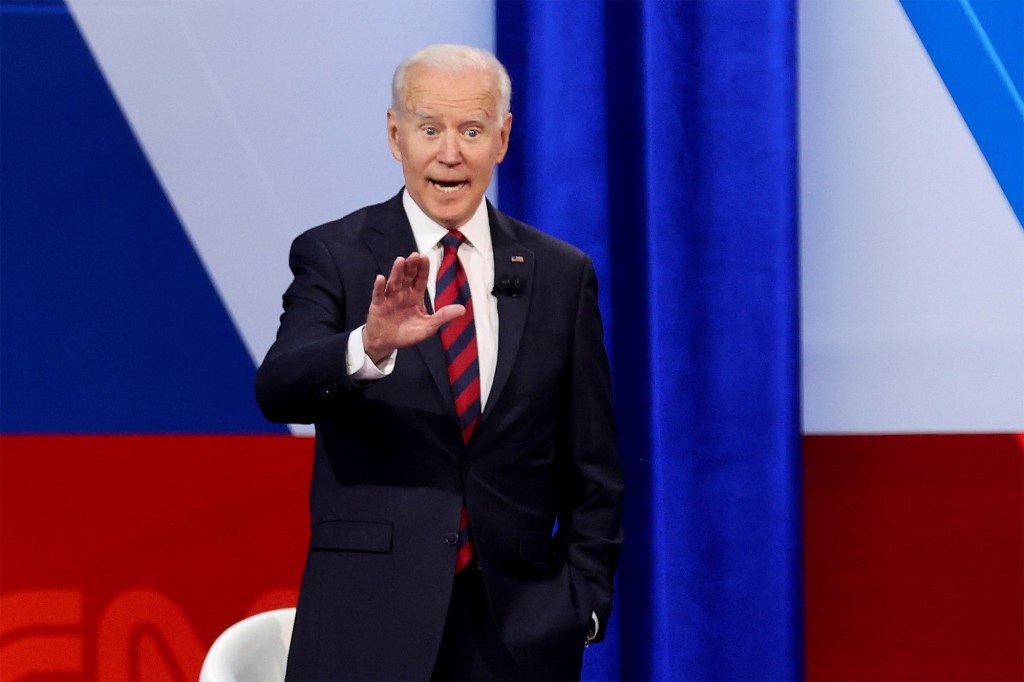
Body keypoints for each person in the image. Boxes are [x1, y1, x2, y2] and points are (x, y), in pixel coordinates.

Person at [255, 44, 623, 682]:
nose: (450, 153)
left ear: (502, 138)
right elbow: (278, 386)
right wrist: (368, 345)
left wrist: (580, 604)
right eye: (430, 129)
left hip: (517, 637)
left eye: (472, 130)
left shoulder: (561, 275)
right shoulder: (335, 255)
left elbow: (593, 467)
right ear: (396, 136)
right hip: (367, 625)